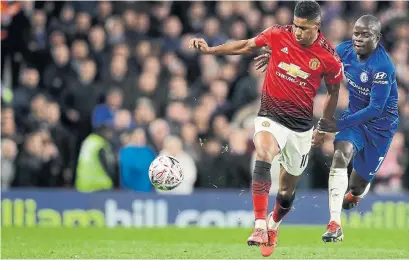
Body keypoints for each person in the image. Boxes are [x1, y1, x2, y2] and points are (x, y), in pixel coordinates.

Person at [189, 0, 343, 256]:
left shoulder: (329, 57)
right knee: (263, 152)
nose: (297, 32)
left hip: (301, 128)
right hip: (270, 115)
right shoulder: (278, 33)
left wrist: (325, 125)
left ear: (317, 26)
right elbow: (247, 45)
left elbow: (334, 92)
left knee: (286, 191)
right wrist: (210, 51)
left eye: (303, 28)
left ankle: (273, 225)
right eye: (295, 25)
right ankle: (259, 224)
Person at [317, 15, 399, 242]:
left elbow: (375, 109)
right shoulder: (344, 50)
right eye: (356, 33)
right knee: (340, 155)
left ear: (378, 37)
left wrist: (338, 124)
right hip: (354, 119)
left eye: (366, 34)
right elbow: (318, 59)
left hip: (380, 129)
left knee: (357, 185)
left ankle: (356, 193)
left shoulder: (383, 67)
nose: (359, 39)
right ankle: (335, 224)